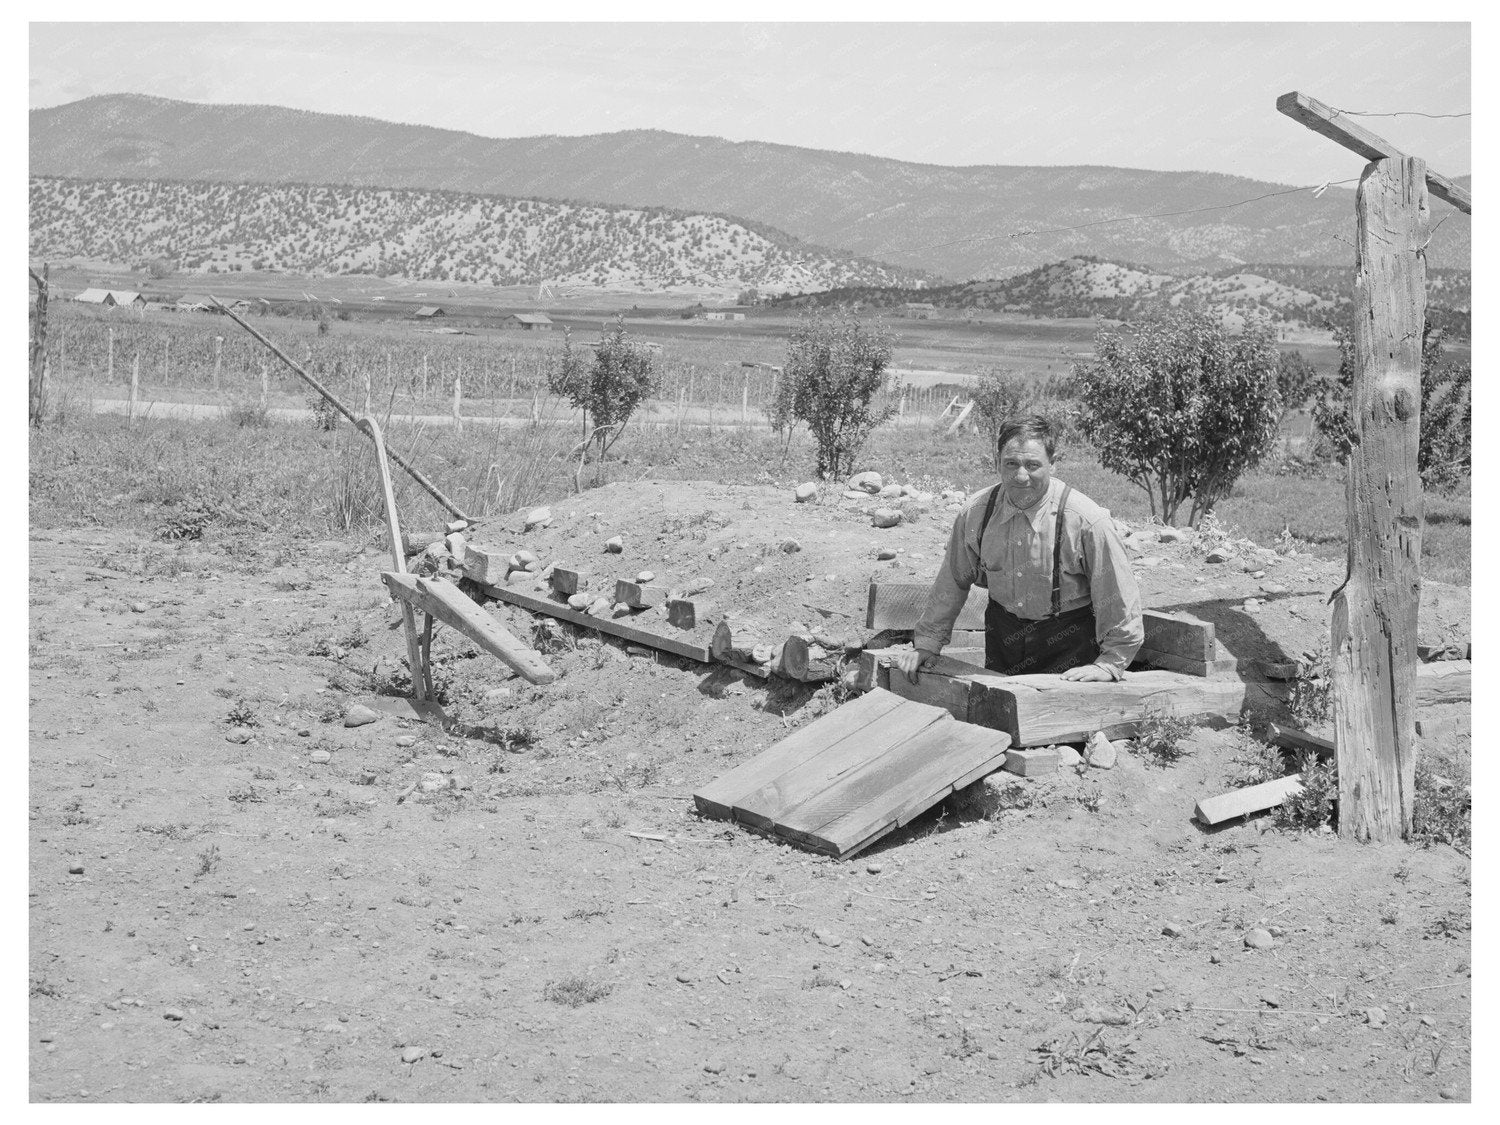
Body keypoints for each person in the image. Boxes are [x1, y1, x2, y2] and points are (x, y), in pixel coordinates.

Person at [893, 415, 1143, 683]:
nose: (1020, 476)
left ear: (1053, 463)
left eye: (1033, 465)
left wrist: (1109, 663)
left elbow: (1117, 595)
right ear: (997, 461)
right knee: (995, 714)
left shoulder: (1086, 521)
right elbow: (953, 581)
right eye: (1011, 464)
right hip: (1003, 635)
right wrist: (927, 644)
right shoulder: (977, 513)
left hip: (1069, 641)